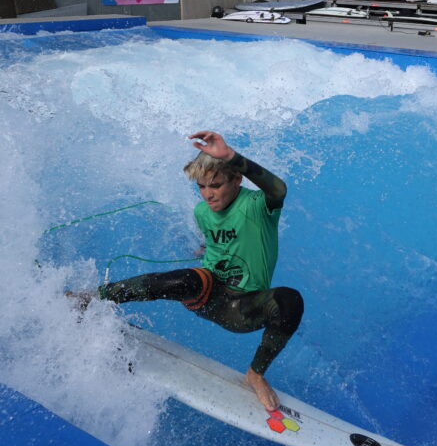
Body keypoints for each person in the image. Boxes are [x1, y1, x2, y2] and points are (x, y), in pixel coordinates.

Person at [70, 130, 302, 411]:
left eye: (215, 185)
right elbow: (219, 240)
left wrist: (231, 156)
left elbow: (278, 189)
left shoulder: (257, 206)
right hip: (209, 296)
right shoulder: (202, 212)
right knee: (189, 278)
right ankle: (93, 297)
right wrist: (206, 249)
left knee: (290, 300)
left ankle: (255, 375)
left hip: (243, 308)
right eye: (201, 187)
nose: (208, 194)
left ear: (237, 179)